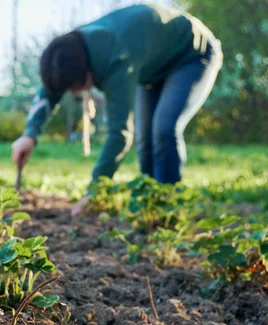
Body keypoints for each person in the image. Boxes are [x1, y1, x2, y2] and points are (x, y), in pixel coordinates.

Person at [11, 4, 223, 216]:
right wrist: (30, 133)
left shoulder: (116, 60)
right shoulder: (72, 50)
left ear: (85, 74)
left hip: (193, 55)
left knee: (163, 128)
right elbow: (53, 84)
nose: (74, 93)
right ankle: (150, 206)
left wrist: (94, 190)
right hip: (153, 67)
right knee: (146, 139)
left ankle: (168, 208)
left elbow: (119, 134)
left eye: (73, 88)